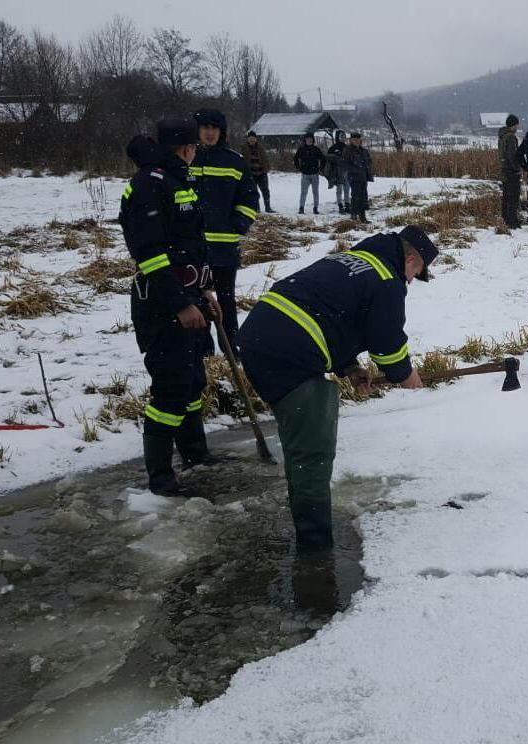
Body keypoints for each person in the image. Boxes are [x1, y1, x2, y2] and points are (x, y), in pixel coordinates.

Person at [235, 225, 438, 550]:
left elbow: (333, 314)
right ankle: (315, 550)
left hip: (260, 338)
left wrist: (349, 366)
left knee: (302, 440)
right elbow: (386, 342)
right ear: (411, 259)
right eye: (417, 272)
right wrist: (405, 375)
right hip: (290, 352)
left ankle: (309, 528)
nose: (412, 280)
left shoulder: (354, 261)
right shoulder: (387, 279)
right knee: (312, 452)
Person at [120, 119, 225, 497]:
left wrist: (207, 289)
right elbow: (150, 254)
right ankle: (161, 478)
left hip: (191, 294)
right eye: (193, 146)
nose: (196, 151)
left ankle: (196, 455)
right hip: (162, 303)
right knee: (171, 388)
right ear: (182, 148)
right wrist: (180, 304)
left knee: (193, 380)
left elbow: (193, 242)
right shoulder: (148, 185)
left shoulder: (179, 181)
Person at [190, 108, 259, 351]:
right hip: (192, 248)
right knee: (196, 299)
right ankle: (202, 349)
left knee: (226, 300)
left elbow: (250, 197)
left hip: (224, 247)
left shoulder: (234, 160)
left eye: (214, 128)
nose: (209, 133)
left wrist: (240, 222)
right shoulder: (185, 158)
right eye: (205, 128)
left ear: (222, 132)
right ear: (197, 130)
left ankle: (231, 346)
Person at [340, 132, 373, 222]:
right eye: (354, 140)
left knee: (363, 196)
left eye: (358, 139)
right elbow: (344, 164)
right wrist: (355, 169)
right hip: (354, 177)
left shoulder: (363, 151)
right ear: (351, 140)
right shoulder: (348, 150)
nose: (357, 141)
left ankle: (362, 216)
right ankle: (353, 216)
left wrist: (367, 168)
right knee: (355, 196)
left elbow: (369, 161)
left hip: (363, 176)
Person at [497, 114, 522, 229]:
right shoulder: (511, 137)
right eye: (517, 124)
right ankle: (512, 222)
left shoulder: (502, 136)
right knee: (513, 197)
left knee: (506, 196)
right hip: (511, 171)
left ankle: (505, 219)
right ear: (513, 125)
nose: (517, 127)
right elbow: (512, 156)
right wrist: (517, 168)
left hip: (504, 170)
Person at [294, 132, 326, 215]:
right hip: (305, 174)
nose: (309, 140)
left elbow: (323, 159)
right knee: (303, 192)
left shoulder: (316, 149)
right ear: (305, 140)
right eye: (307, 139)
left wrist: (321, 168)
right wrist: (298, 167)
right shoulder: (301, 149)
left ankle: (315, 208)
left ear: (313, 140)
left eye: (311, 138)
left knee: (315, 192)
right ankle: (301, 208)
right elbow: (295, 158)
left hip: (315, 174)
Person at [242, 130, 273, 212]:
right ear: (248, 139)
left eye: (253, 138)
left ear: (256, 139)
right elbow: (242, 160)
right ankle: (256, 208)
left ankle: (268, 207)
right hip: (250, 174)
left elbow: (265, 159)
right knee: (254, 192)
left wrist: (267, 168)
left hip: (261, 173)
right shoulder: (244, 147)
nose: (252, 140)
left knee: (265, 191)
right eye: (250, 138)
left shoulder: (260, 147)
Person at [326, 130, 350, 214]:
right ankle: (340, 206)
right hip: (337, 171)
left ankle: (347, 205)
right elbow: (328, 159)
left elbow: (350, 158)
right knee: (339, 189)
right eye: (341, 137)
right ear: (338, 137)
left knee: (347, 188)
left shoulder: (347, 147)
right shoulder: (333, 148)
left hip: (346, 171)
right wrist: (336, 157)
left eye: (344, 137)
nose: (343, 138)